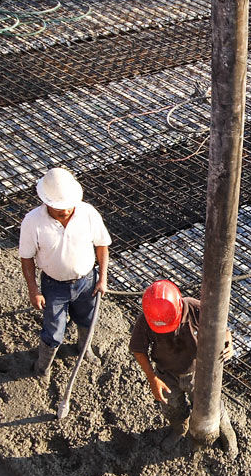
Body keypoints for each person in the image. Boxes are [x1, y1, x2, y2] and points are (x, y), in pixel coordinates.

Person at [128, 279, 238, 456]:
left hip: (198, 371)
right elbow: (138, 349)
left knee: (211, 403)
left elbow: (222, 326)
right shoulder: (147, 319)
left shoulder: (195, 308)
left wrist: (228, 342)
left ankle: (225, 428)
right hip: (167, 374)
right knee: (171, 406)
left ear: (179, 306)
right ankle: (180, 428)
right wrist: (152, 378)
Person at [19, 168, 111, 379]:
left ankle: (84, 349)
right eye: (60, 208)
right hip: (54, 286)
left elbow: (102, 246)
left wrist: (103, 278)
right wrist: (34, 290)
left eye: (68, 206)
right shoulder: (32, 222)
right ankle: (42, 367)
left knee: (87, 319)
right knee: (53, 330)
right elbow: (26, 258)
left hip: (87, 281)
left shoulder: (87, 213)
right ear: (47, 202)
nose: (66, 211)